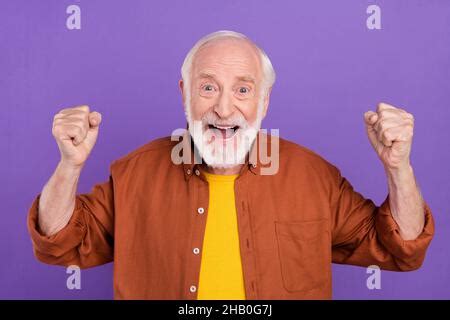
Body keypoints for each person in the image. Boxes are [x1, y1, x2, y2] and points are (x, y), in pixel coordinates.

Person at [27, 30, 434, 299]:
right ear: (185, 94)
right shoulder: (134, 173)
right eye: (208, 88)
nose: (224, 108)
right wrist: (69, 165)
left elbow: (401, 249)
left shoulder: (314, 177)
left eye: (242, 89)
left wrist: (399, 168)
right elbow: (57, 243)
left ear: (264, 100)